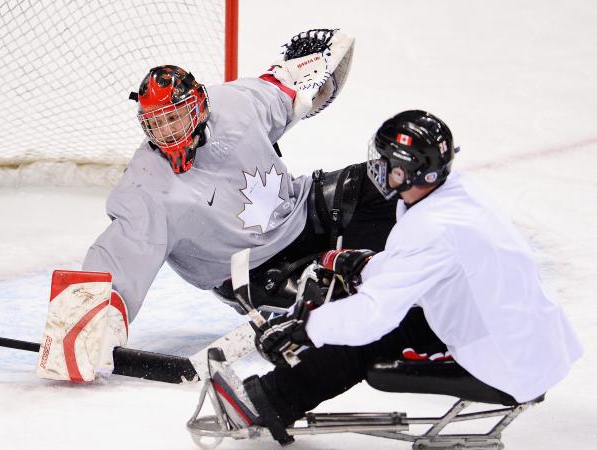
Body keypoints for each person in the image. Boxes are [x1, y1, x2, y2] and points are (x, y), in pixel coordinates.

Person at [34, 29, 399, 383]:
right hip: (255, 274)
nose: (168, 132)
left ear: (199, 105)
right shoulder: (146, 187)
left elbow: (284, 87)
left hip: (304, 210)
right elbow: (120, 256)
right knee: (355, 307)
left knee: (389, 182)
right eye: (156, 125)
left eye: (174, 118)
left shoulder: (236, 104)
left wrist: (313, 72)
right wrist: (88, 326)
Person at [209, 110, 583, 444]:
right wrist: (367, 267)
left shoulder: (428, 227)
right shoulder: (461, 193)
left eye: (388, 162)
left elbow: (373, 316)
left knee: (369, 339)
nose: (380, 168)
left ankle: (268, 402)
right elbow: (430, 265)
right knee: (384, 316)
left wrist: (305, 329)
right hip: (531, 340)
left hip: (506, 362)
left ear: (407, 170)